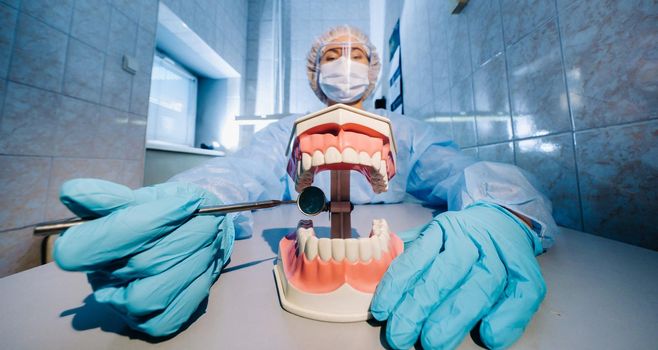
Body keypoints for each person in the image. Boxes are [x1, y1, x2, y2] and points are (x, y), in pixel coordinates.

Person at [54, 25, 556, 349]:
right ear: (316, 70)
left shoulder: (404, 131)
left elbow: (457, 170)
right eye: (333, 55)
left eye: (356, 54)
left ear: (373, 69)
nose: (345, 64)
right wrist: (205, 204)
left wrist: (501, 209)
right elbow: (239, 174)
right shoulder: (284, 132)